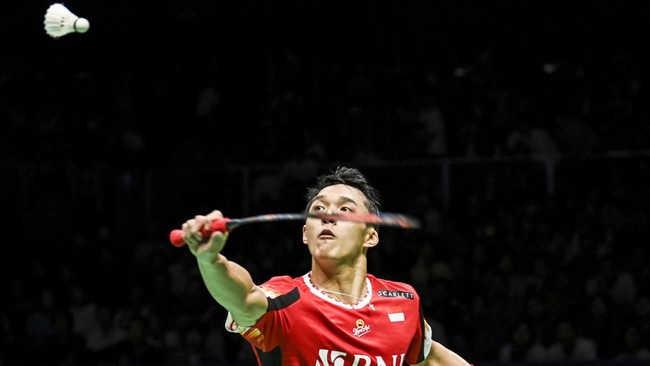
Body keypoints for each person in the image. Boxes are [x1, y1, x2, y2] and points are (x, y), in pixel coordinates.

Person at [179, 166, 472, 365]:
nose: (328, 216)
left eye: (345, 209)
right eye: (318, 209)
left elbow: (430, 357)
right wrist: (210, 259)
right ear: (306, 233)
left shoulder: (403, 302)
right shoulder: (284, 301)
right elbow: (241, 295)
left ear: (370, 236)